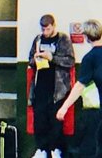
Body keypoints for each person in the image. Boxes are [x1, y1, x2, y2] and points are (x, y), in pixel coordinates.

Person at [57, 19, 102, 158]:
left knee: (101, 141)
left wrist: (64, 107)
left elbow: (79, 86)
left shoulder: (90, 58)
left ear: (86, 37)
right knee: (101, 140)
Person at [28, 14, 75, 158]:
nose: (45, 32)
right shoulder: (38, 39)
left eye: (48, 29)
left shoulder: (63, 39)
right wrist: (35, 60)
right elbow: (29, 59)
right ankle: (42, 148)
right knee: (40, 119)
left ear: (54, 26)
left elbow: (70, 61)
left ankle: (56, 149)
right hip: (40, 85)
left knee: (55, 121)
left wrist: (52, 58)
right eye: (43, 29)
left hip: (58, 87)